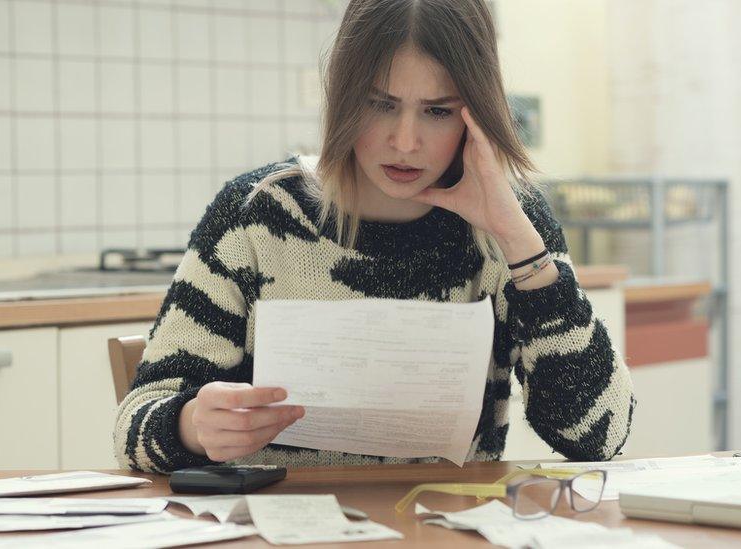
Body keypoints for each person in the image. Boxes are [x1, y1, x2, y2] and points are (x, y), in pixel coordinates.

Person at [114, 0, 635, 473]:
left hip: (443, 528)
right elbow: (133, 426)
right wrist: (190, 426)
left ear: (477, 113)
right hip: (281, 526)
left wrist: (522, 246)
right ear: (342, 99)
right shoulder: (257, 214)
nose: (405, 142)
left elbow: (601, 437)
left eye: (437, 111)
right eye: (380, 103)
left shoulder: (509, 225)